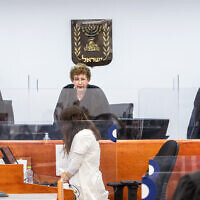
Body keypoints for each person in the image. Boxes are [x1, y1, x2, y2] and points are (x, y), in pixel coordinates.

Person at [59, 105, 109, 200]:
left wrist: (66, 176)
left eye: (64, 123)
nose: (62, 127)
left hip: (87, 185)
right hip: (86, 184)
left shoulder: (83, 135)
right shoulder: (84, 134)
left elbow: (76, 162)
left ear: (72, 122)